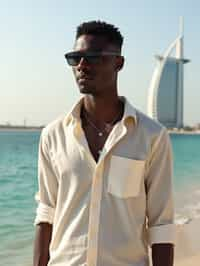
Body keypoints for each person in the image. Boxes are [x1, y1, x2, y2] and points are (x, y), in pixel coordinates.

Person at [33, 21, 175, 266]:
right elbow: (47, 213)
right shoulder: (52, 135)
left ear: (118, 63)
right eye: (75, 58)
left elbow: (161, 224)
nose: (82, 66)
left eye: (93, 57)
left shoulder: (152, 136)